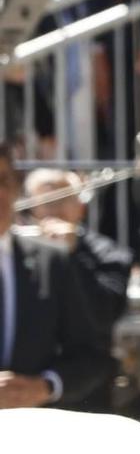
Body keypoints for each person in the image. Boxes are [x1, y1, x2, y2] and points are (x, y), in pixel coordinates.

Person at [0, 147, 113, 411]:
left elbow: (91, 356)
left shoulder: (52, 263)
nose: (0, 194)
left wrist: (45, 386)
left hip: (32, 435)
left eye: (4, 181)